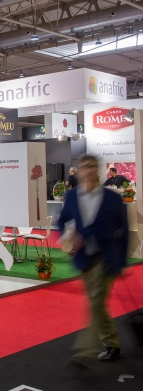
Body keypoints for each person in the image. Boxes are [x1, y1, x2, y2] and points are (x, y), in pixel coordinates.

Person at [58, 154, 128, 373]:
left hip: (106, 258)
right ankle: (111, 344)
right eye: (84, 166)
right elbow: (62, 221)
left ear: (98, 170)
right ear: (78, 171)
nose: (88, 170)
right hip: (84, 258)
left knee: (96, 302)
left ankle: (83, 352)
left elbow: (124, 231)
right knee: (97, 303)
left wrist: (121, 261)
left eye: (92, 166)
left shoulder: (112, 198)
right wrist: (69, 235)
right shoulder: (71, 196)